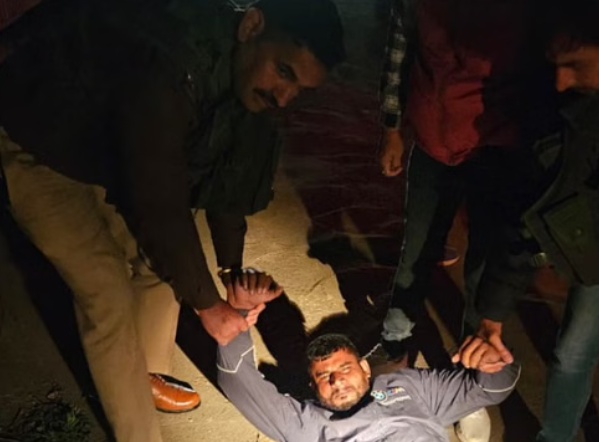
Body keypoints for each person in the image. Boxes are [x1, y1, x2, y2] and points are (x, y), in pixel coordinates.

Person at [0, 0, 344, 440]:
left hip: (101, 148)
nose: (284, 97)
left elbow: (229, 180)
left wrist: (231, 273)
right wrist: (208, 306)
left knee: (161, 268)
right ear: (252, 26)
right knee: (105, 291)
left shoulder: (243, 77)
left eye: (299, 89)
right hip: (38, 138)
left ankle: (143, 377)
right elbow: (159, 200)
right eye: (283, 71)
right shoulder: (172, 62)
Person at [456, 1, 599, 441]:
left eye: (576, 64)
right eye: (554, 64)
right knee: (574, 353)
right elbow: (533, 200)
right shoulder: (561, 96)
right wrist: (493, 315)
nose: (561, 81)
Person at [376, 0, 555, 439]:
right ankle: (395, 347)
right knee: (416, 250)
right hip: (431, 143)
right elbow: (399, 53)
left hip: (496, 148)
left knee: (482, 270)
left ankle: (469, 384)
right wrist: (392, 128)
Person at [216, 271, 521, 442]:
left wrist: (492, 360)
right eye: (323, 376)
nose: (336, 380)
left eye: (344, 368)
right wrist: (239, 314)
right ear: (312, 387)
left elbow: (492, 389)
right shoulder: (307, 425)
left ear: (364, 367)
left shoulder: (408, 386)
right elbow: (236, 381)